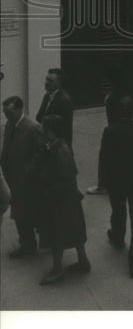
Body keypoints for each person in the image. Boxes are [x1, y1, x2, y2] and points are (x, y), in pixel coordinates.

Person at [33, 114, 90, 285]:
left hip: (62, 200)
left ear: (51, 131)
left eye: (44, 127)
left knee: (57, 234)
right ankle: (83, 261)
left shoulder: (61, 150)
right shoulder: (53, 146)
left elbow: (68, 178)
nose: (41, 130)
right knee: (74, 230)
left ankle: (57, 269)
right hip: (65, 199)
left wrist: (48, 191)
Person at [99, 95, 133, 278]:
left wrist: (103, 181)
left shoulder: (110, 131)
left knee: (118, 211)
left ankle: (118, 237)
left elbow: (104, 157)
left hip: (117, 179)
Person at [1, 97, 44, 258]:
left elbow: (40, 154)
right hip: (13, 178)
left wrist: (28, 171)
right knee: (19, 213)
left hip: (26, 181)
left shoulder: (33, 128)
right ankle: (26, 242)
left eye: (9, 112)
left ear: (19, 110)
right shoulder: (10, 124)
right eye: (5, 113)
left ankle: (28, 245)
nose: (6, 116)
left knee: (23, 214)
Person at [87, 63, 130, 195]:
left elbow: (112, 115)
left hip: (113, 130)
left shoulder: (113, 97)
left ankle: (103, 186)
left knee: (106, 158)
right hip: (125, 129)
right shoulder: (126, 93)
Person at [36, 68, 74, 148]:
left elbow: (65, 129)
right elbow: (39, 117)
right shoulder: (47, 96)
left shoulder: (65, 100)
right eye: (46, 79)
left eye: (50, 81)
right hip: (47, 142)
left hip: (57, 146)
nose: (46, 83)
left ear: (59, 83)